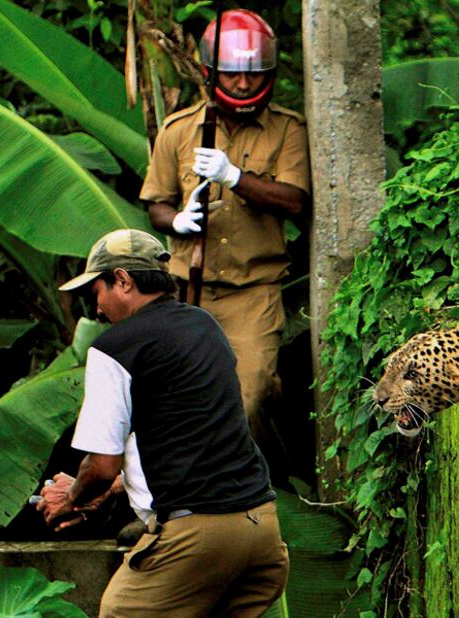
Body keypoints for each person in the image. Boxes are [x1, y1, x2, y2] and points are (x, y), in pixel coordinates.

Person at [37, 229, 288, 617]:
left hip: (197, 538)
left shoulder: (114, 349)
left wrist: (71, 499)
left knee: (120, 612)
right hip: (262, 532)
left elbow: (101, 466)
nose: (97, 309)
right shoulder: (204, 326)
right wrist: (110, 490)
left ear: (123, 280)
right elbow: (187, 436)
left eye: (97, 292)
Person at [140, 8, 310, 445]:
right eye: (233, 74)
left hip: (254, 292)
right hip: (186, 291)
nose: (244, 84)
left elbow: (294, 200)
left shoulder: (288, 129)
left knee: (250, 397)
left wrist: (235, 177)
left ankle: (249, 482)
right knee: (178, 402)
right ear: (211, 72)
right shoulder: (179, 130)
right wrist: (177, 221)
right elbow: (156, 204)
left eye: (254, 74)